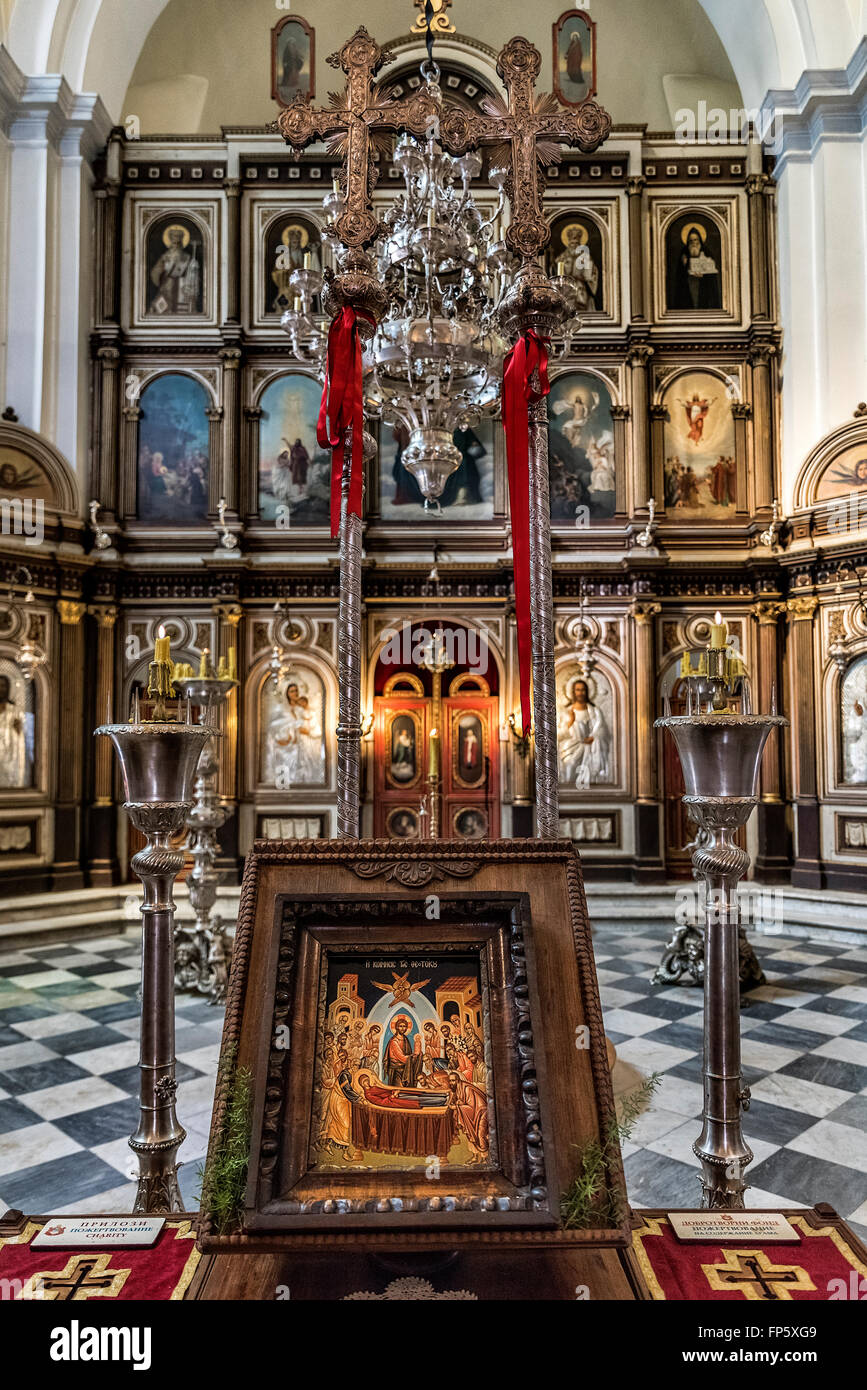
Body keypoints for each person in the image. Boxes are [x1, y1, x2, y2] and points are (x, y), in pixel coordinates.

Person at [268, 680, 322, 787]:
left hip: (303, 746)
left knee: (304, 770)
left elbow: (312, 727)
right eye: (292, 691)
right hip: (285, 748)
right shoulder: (281, 710)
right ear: (286, 693)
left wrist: (306, 731)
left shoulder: (301, 709)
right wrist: (290, 731)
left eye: (296, 691)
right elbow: (275, 728)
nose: (295, 693)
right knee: (286, 771)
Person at [558, 678, 611, 787]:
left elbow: (602, 730)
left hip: (590, 748)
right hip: (571, 748)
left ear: (587, 692)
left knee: (589, 773)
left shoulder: (594, 711)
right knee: (570, 766)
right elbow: (558, 735)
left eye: (583, 690)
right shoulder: (567, 712)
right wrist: (570, 722)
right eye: (577, 690)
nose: (580, 693)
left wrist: (594, 737)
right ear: (573, 692)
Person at [149, 225, 201, 315]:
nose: (176, 245)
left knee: (185, 309)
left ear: (181, 243)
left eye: (178, 243)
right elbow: (155, 273)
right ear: (170, 242)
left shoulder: (187, 257)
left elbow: (192, 276)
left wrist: (193, 267)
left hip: (183, 287)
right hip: (167, 285)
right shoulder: (165, 257)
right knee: (162, 308)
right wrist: (161, 271)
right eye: (174, 242)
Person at [672, 226, 721, 310]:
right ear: (687, 242)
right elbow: (680, 276)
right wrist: (685, 265)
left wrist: (704, 276)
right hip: (689, 287)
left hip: (703, 287)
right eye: (691, 241)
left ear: (699, 240)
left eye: (695, 240)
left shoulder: (707, 252)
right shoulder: (684, 253)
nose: (693, 243)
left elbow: (712, 276)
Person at [0, 673, 29, 788]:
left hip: (10, 757)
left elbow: (22, 736)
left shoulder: (15, 711)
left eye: (3, 686)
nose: (1, 689)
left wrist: (20, 729)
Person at [384, 1015, 423, 1087]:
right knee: (400, 1089)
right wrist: (412, 1057)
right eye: (400, 1026)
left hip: (405, 1068)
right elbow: (401, 1057)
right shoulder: (393, 1041)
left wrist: (417, 1055)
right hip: (396, 1070)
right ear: (397, 1027)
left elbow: (409, 1054)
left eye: (404, 1026)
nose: (402, 1028)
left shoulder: (405, 1039)